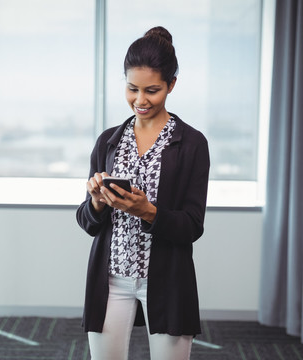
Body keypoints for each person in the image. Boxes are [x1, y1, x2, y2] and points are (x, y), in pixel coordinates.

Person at [76, 26, 210, 360]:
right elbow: (88, 222)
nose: (140, 100)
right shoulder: (109, 141)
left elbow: (192, 226)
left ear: (172, 85)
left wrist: (147, 211)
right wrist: (95, 201)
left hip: (166, 279)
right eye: (132, 88)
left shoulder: (192, 144)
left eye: (152, 90)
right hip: (110, 279)